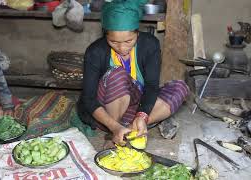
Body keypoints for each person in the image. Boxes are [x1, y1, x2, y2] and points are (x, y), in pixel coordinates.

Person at [77, 0, 189, 145]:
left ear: (137, 32)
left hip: (136, 107)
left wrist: (142, 115)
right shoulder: (95, 51)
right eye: (114, 42)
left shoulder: (150, 45)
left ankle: (131, 128)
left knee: (179, 88)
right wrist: (114, 126)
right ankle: (116, 129)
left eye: (129, 41)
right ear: (105, 35)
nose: (122, 48)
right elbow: (89, 99)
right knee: (118, 74)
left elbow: (151, 86)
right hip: (105, 111)